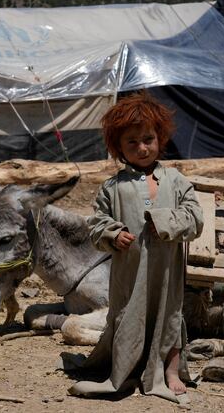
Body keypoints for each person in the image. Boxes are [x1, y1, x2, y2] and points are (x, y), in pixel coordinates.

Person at [68, 92, 204, 404]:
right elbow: (96, 223)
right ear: (118, 148)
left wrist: (166, 222)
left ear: (161, 138)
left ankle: (170, 370)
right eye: (132, 142)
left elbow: (195, 218)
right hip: (129, 274)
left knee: (169, 314)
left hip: (166, 270)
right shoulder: (112, 187)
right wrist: (114, 234)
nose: (142, 148)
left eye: (148, 139)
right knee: (127, 315)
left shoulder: (175, 180)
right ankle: (124, 367)